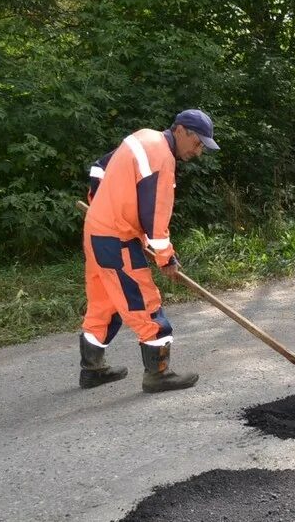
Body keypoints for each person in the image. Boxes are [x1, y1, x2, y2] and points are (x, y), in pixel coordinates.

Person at [77, 109, 219, 392]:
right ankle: (158, 374)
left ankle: (93, 369)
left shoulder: (143, 137)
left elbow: (99, 167)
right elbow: (155, 214)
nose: (198, 152)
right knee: (144, 302)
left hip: (96, 231)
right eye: (198, 143)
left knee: (104, 305)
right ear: (181, 131)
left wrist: (99, 203)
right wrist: (166, 256)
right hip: (116, 240)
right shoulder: (162, 159)